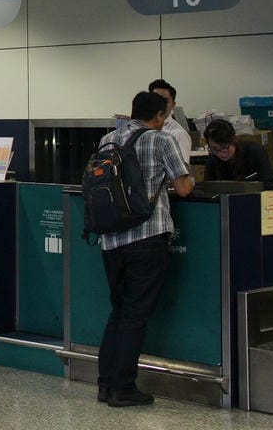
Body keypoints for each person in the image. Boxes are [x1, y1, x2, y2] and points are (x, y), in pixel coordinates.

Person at [95, 91, 194, 408]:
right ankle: (124, 387)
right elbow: (184, 187)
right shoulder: (161, 140)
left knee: (119, 311)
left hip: (110, 240)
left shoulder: (108, 140)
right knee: (135, 316)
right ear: (161, 116)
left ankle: (105, 384)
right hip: (146, 238)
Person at [202, 119, 273, 188]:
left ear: (234, 140)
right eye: (215, 149)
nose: (221, 154)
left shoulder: (254, 151)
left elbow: (269, 182)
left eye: (224, 148)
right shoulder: (213, 158)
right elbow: (208, 187)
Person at [148, 79, 191, 164]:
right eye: (156, 99)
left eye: (165, 101)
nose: (160, 104)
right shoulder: (142, 128)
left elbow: (181, 172)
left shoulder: (179, 134)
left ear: (173, 105)